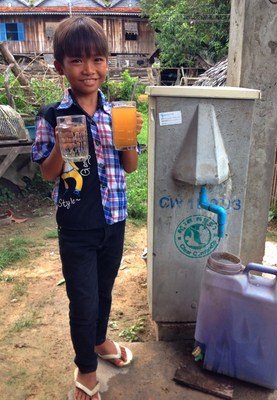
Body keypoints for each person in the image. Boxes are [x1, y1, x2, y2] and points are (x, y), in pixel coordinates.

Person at [31, 15, 143, 400]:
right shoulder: (52, 115)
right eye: (78, 61)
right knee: (83, 299)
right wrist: (63, 142)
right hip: (77, 224)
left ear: (107, 64)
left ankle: (98, 341)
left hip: (114, 220)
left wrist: (130, 140)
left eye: (97, 60)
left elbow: (130, 166)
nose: (89, 69)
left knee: (104, 291)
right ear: (61, 67)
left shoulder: (118, 115)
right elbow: (48, 174)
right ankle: (87, 367)